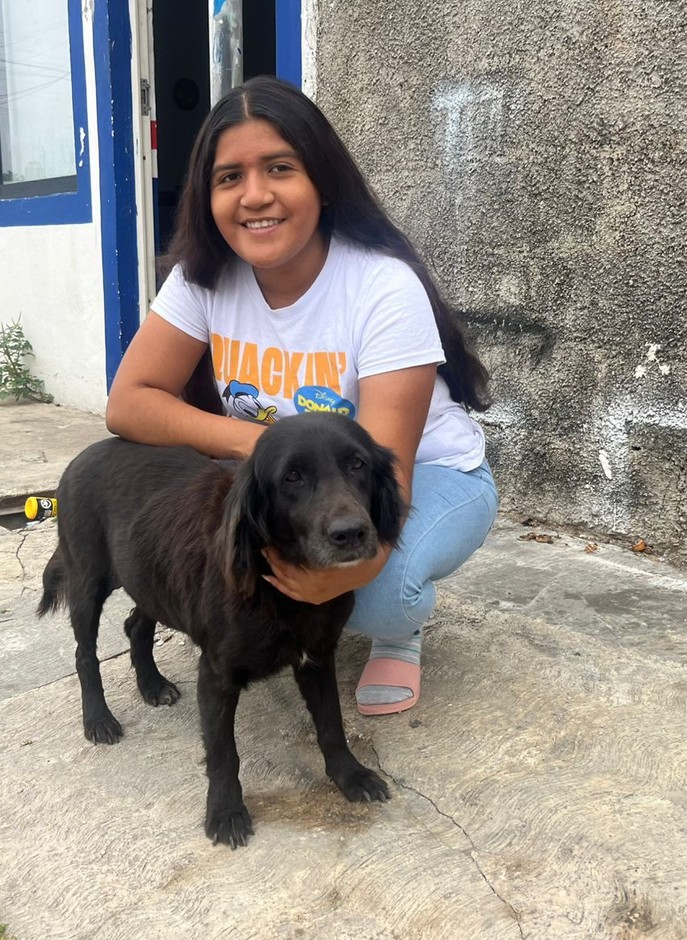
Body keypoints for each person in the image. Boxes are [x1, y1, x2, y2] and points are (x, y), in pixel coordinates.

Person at [106, 75, 498, 715]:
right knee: (238, 549)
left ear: (320, 179)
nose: (255, 195)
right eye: (229, 177)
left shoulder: (381, 286)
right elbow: (129, 404)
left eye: (279, 168)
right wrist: (257, 445)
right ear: (207, 195)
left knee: (365, 581)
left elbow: (387, 484)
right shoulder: (204, 278)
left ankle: (401, 631)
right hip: (297, 477)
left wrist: (345, 553)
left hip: (421, 472)